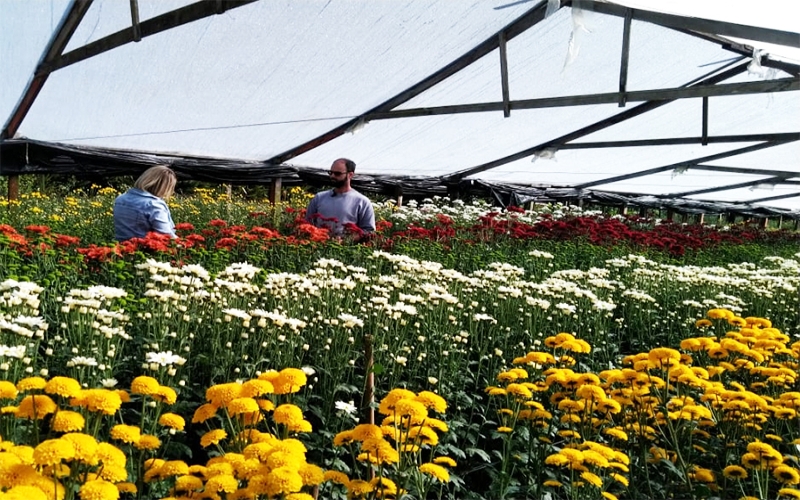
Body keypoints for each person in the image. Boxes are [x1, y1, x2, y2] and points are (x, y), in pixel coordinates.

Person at [305, 158, 375, 239]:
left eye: (337, 174)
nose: (332, 176)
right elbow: (306, 224)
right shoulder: (319, 198)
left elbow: (369, 231)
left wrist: (346, 240)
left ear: (350, 175)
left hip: (346, 249)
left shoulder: (362, 202)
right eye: (330, 173)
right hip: (318, 246)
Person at [114, 165, 177, 241]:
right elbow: (166, 235)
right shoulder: (154, 205)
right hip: (146, 248)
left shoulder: (120, 199)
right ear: (163, 187)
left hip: (121, 248)